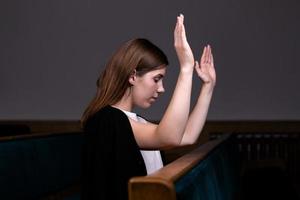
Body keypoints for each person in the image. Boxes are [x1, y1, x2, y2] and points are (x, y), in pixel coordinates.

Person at [81, 14, 216, 200]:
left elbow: (187, 136)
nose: (161, 89)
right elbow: (170, 136)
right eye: (156, 79)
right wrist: (185, 69)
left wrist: (207, 87)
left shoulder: (134, 121)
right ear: (133, 76)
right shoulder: (106, 120)